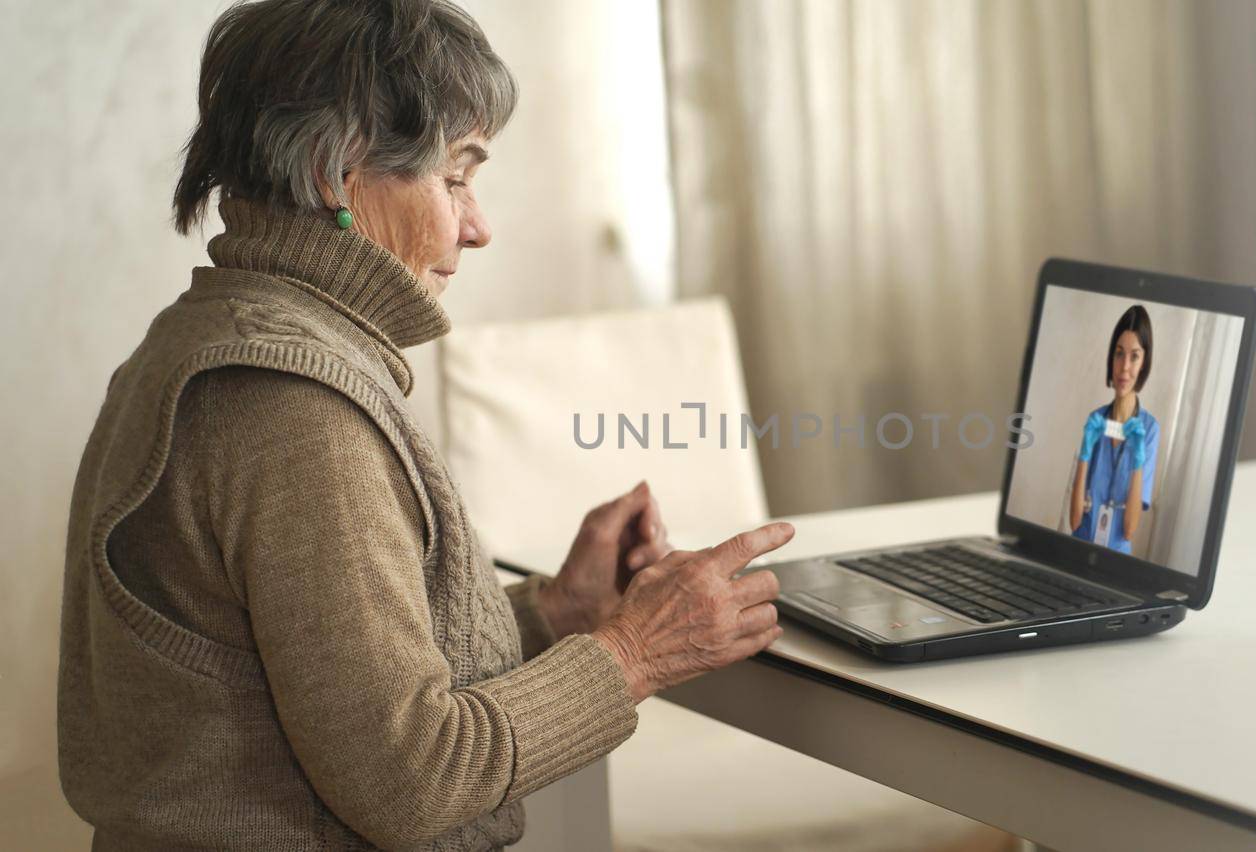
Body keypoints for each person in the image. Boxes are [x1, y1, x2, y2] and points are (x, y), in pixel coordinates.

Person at [56, 1, 790, 848]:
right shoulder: (291, 408)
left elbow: (323, 681)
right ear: (338, 172)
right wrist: (636, 652)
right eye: (455, 178)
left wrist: (555, 611)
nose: (477, 227)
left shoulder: (211, 337)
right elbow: (414, 779)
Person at [1061, 305, 1162, 554]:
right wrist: (1084, 456)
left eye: (1134, 356)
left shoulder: (1149, 430)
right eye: (1119, 354)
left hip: (1116, 560)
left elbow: (1129, 530)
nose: (1124, 367)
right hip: (1079, 549)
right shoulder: (1096, 420)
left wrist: (1137, 462)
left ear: (1144, 362)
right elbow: (1074, 521)